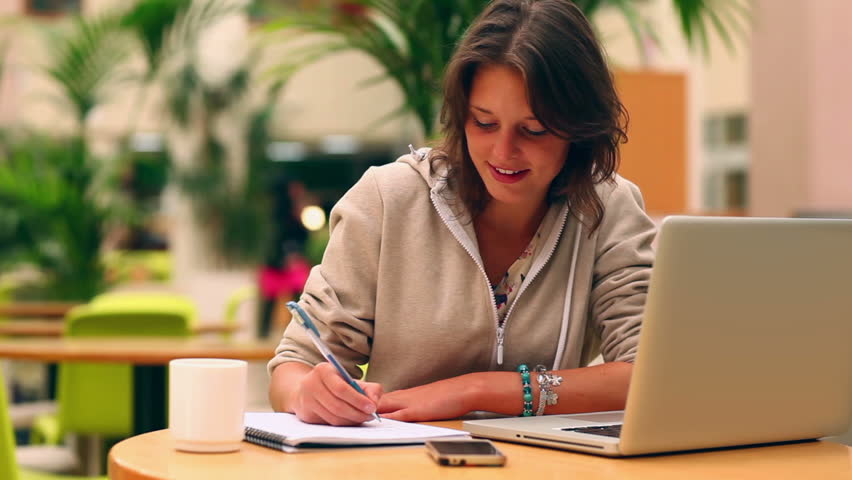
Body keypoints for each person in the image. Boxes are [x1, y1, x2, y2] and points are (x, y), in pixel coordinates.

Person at [268, 0, 656, 426]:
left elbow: (649, 375)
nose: (504, 152)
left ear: (579, 130)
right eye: (484, 123)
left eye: (534, 130)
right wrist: (308, 393)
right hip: (399, 462)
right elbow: (292, 367)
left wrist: (474, 390)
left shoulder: (608, 208)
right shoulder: (388, 199)